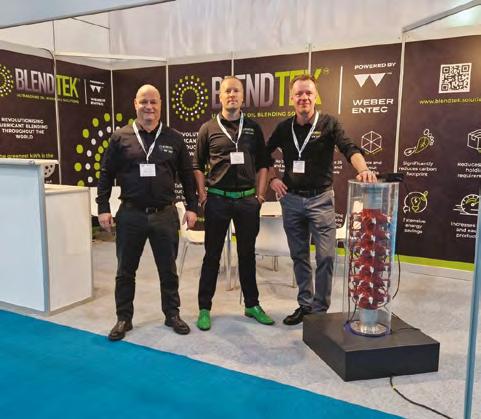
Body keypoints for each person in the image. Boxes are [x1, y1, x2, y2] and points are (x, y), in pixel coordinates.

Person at [266, 74, 376, 325]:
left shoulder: (329, 123)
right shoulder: (284, 128)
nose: (304, 97)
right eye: (299, 94)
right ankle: (305, 305)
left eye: (308, 93)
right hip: (291, 200)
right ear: (291, 98)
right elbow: (263, 154)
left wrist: (363, 169)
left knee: (326, 256)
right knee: (299, 256)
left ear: (315, 96)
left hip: (321, 200)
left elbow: (349, 148)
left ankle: (319, 311)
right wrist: (272, 179)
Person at [97, 84, 198, 340]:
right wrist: (103, 208)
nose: (149, 107)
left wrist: (192, 207)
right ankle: (123, 318)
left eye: (153, 102)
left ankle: (172, 314)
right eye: (144, 102)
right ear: (135, 104)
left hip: (165, 214)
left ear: (160, 104)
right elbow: (106, 173)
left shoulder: (174, 138)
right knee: (125, 270)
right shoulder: (120, 137)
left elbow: (187, 175)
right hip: (131, 214)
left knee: (168, 270)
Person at [193, 76, 274, 331]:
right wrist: (203, 195)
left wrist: (260, 197)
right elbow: (197, 165)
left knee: (247, 255)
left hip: (247, 201)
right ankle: (204, 308)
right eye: (227, 91)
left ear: (242, 96)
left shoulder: (253, 128)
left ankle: (252, 304)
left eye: (236, 91)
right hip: (217, 199)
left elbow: (264, 164)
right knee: (212, 255)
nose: (232, 95)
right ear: (220, 97)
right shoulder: (208, 128)